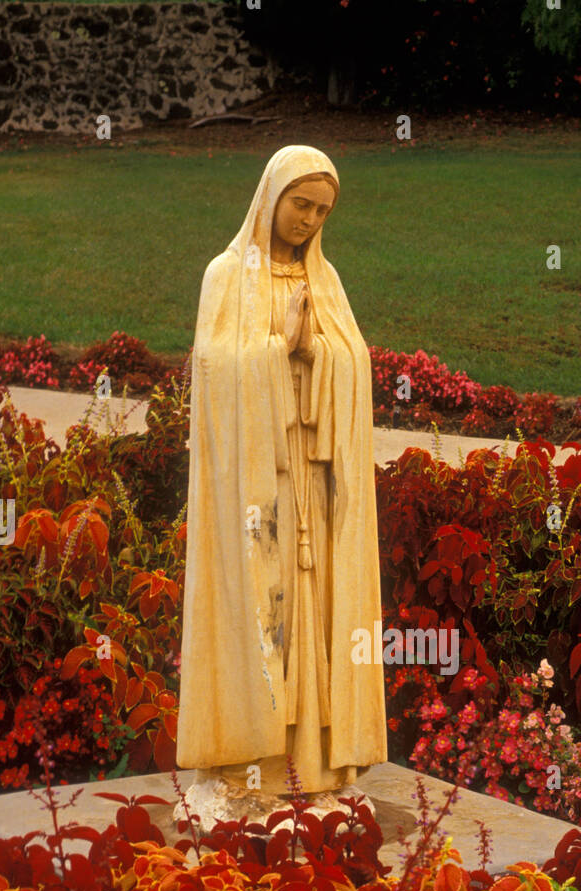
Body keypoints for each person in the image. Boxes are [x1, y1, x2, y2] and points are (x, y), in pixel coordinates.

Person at [176, 145, 387, 823]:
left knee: (317, 610)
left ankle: (314, 765)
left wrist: (317, 352)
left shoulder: (326, 283)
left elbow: (355, 364)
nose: (309, 220)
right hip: (253, 486)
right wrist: (276, 351)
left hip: (316, 481)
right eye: (301, 204)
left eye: (322, 211)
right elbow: (210, 372)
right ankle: (248, 760)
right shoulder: (224, 278)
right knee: (259, 612)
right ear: (270, 197)